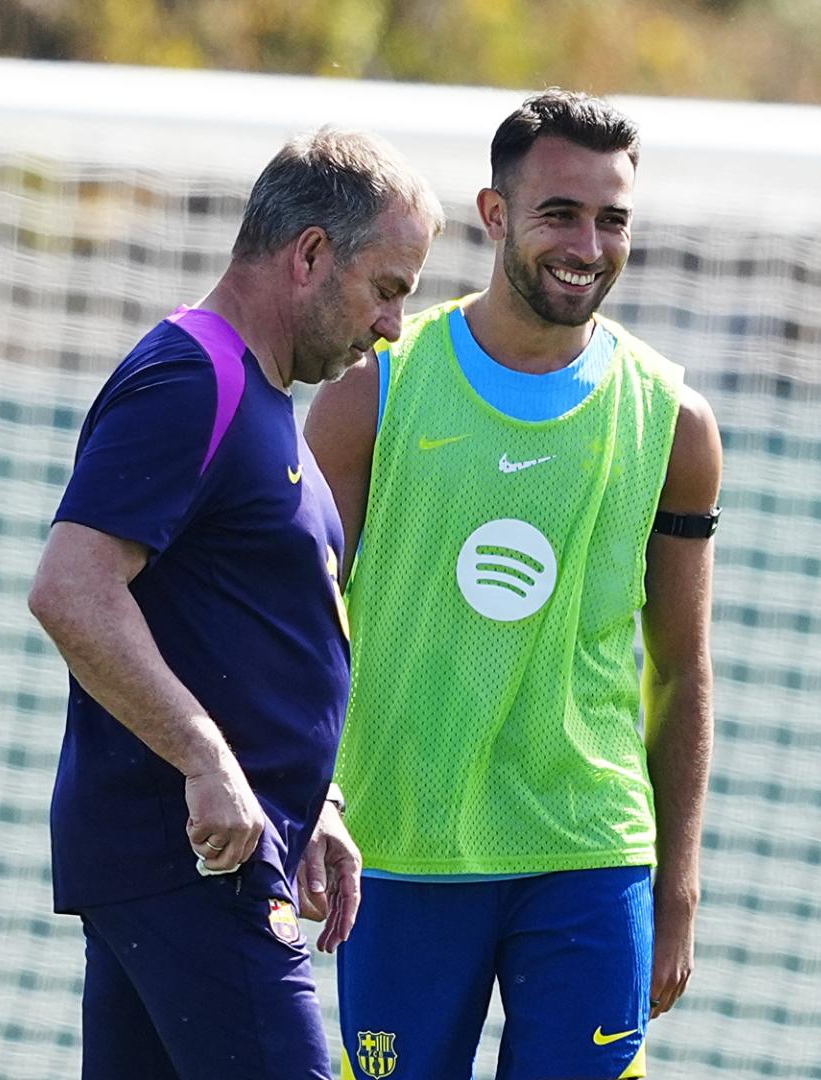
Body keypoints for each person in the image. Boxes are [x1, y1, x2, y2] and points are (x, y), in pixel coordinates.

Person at [305, 89, 721, 1080]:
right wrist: (306, 798)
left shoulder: (674, 422)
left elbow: (682, 668)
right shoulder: (376, 391)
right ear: (495, 216)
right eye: (559, 214)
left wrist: (678, 883)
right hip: (402, 848)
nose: (588, 243)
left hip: (588, 849)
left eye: (611, 218)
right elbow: (297, 625)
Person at [28, 127, 444, 1080]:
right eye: (388, 289)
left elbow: (245, 627)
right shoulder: (191, 380)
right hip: (195, 865)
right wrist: (209, 761)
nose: (390, 327)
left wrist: (316, 801)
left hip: (194, 858)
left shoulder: (255, 397)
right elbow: (70, 587)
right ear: (308, 255)